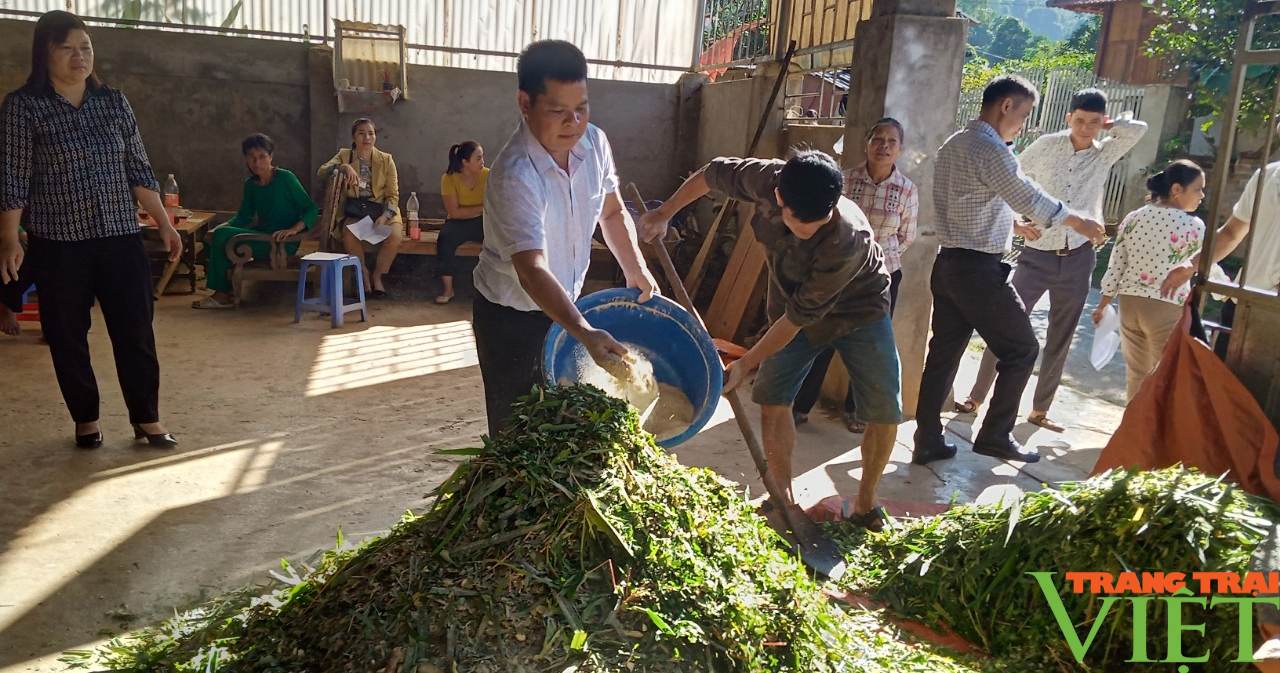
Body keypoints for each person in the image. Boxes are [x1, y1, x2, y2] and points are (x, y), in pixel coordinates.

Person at [639, 150, 901, 531]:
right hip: (790, 305)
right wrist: (664, 213)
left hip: (860, 310)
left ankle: (866, 505)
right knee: (773, 396)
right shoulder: (766, 180)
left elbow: (798, 318)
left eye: (819, 220)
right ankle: (783, 498)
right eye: (800, 220)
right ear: (779, 198)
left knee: (883, 408)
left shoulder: (848, 239)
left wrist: (745, 362)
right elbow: (711, 174)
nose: (809, 229)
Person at [0, 9, 182, 448]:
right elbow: (13, 177)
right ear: (44, 53)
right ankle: (86, 418)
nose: (79, 56)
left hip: (120, 235)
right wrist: (8, 238)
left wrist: (163, 223)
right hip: (58, 242)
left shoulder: (113, 102)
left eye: (86, 47)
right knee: (66, 333)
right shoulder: (23, 107)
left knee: (135, 328)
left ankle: (147, 418)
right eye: (67, 48)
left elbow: (139, 169)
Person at [913, 75, 1105, 466]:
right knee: (1021, 350)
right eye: (1025, 113)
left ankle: (928, 437)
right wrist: (1078, 221)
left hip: (950, 263)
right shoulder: (989, 147)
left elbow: (973, 200)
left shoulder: (956, 143)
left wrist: (1010, 225)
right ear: (1006, 106)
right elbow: (1027, 195)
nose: (1024, 123)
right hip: (978, 270)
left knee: (944, 353)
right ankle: (995, 435)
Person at [472, 40, 657, 437]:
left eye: (582, 107)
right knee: (518, 436)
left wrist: (635, 267)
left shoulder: (595, 143)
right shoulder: (515, 175)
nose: (573, 122)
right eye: (557, 111)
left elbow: (611, 211)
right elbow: (531, 270)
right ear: (525, 103)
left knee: (566, 427)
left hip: (568, 307)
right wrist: (584, 331)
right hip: (512, 319)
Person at [958, 89, 1146, 432]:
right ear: (1068, 118)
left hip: (1077, 257)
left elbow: (1139, 130)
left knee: (1062, 336)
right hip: (1036, 256)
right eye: (1079, 120)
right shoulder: (1046, 145)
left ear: (1101, 123)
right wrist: (1016, 219)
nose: (1086, 128)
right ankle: (975, 397)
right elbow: (1009, 176)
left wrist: (1113, 124)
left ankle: (1040, 409)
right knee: (1006, 326)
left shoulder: (1104, 153)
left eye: (1093, 122)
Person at [792, 118, 917, 434]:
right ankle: (800, 405)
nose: (883, 146)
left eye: (891, 141)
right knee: (822, 337)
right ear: (866, 143)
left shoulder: (907, 190)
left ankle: (857, 410)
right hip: (838, 274)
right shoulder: (845, 181)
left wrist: (875, 260)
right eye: (878, 139)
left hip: (882, 277)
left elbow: (907, 236)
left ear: (899, 149)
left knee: (869, 347)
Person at [1161, 119, 1280, 356]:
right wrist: (1191, 265)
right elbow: (1231, 233)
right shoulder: (1266, 176)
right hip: (1244, 304)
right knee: (1223, 388)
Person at [1094, 160, 1205, 400]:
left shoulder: (1133, 218)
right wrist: (1226, 292)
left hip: (1130, 305)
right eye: (1198, 189)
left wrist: (1104, 303)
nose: (1202, 195)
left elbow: (1117, 263)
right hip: (1165, 305)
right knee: (1168, 377)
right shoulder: (1193, 225)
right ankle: (1159, 435)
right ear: (1177, 189)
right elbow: (1208, 264)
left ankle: (1132, 432)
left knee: (1137, 374)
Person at [195, 134, 319, 309]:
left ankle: (222, 295)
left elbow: (311, 208)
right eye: (251, 157)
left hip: (281, 242)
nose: (257, 162)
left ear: (271, 157)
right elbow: (244, 216)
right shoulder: (250, 184)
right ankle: (226, 289)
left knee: (221, 235)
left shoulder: (286, 178)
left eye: (262, 157)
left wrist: (293, 229)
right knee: (213, 235)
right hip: (262, 236)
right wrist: (221, 227)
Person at [319, 118, 402, 298]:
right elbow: (322, 171)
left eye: (371, 133)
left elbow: (393, 195)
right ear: (353, 137)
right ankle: (362, 272)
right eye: (361, 133)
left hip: (380, 209)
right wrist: (343, 168)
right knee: (349, 235)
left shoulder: (386, 160)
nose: (367, 137)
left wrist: (385, 216)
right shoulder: (345, 155)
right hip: (356, 210)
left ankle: (378, 276)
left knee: (394, 237)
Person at [436, 140, 488, 304]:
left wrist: (482, 211)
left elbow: (496, 206)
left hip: (483, 221)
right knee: (445, 239)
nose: (483, 162)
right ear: (465, 162)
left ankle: (489, 291)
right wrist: (483, 207)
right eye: (478, 158)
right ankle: (448, 289)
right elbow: (454, 212)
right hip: (458, 222)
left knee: (498, 241)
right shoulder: (449, 178)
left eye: (482, 157)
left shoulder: (488, 175)